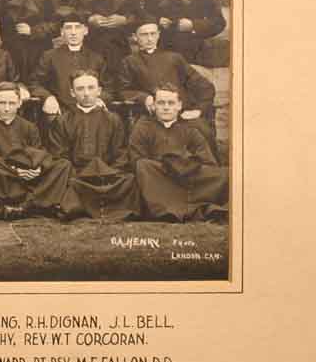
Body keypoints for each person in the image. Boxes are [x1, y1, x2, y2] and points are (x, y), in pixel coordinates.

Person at [48, 71, 139, 221]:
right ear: (72, 92)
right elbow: (59, 155)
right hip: (76, 176)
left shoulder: (113, 119)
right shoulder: (62, 121)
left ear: (99, 91)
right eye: (80, 89)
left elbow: (121, 153)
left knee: (129, 179)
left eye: (91, 88)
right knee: (62, 174)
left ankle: (86, 205)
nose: (86, 93)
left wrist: (109, 174)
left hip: (107, 176)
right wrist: (76, 174)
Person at [129, 83, 229, 221]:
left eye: (171, 103)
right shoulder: (143, 127)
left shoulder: (191, 129)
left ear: (179, 105)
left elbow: (208, 161)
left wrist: (186, 165)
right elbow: (136, 159)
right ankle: (171, 209)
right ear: (154, 106)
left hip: (187, 177)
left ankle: (180, 207)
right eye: (161, 103)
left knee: (226, 174)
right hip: (159, 180)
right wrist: (166, 165)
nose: (166, 107)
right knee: (143, 166)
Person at [0, 82, 71, 220]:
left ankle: (27, 205)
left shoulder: (29, 127)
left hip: (28, 177)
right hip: (2, 178)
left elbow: (39, 152)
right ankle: (34, 205)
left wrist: (38, 168)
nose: (7, 108)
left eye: (12, 103)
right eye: (2, 103)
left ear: (20, 103)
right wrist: (14, 170)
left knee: (63, 164)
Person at [118, 17, 216, 144]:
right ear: (135, 37)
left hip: (181, 114)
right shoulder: (129, 62)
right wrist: (143, 97)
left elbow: (205, 86)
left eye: (153, 34)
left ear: (158, 35)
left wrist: (199, 110)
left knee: (202, 132)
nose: (149, 39)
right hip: (152, 116)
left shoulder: (174, 58)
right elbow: (123, 91)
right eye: (144, 34)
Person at [29, 8, 112, 117]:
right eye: (68, 28)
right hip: (60, 114)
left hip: (91, 112)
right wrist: (47, 97)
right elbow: (34, 83)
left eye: (77, 27)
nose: (73, 33)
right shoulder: (49, 57)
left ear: (85, 31)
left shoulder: (97, 58)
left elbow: (110, 88)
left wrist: (100, 99)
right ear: (62, 32)